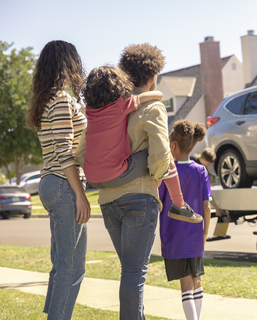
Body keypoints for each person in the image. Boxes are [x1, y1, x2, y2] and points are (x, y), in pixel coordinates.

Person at [75, 43, 170, 320]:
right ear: (153, 77)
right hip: (139, 198)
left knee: (129, 270)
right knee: (133, 272)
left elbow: (80, 152)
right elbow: (162, 156)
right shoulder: (151, 106)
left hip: (108, 201)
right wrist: (154, 176)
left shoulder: (110, 106)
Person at [82, 65, 201, 223]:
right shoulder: (122, 104)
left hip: (93, 178)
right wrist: (157, 178)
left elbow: (80, 152)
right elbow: (157, 95)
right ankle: (179, 204)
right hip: (117, 176)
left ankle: (179, 204)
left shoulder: (89, 112)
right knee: (163, 152)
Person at [26, 40, 90, 320]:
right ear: (68, 64)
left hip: (50, 185)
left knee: (62, 263)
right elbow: (65, 150)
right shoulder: (62, 99)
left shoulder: (46, 100)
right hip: (64, 185)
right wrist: (81, 194)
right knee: (72, 266)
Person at [158, 120, 212, 320]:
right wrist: (205, 233)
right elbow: (206, 206)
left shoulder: (167, 172)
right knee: (196, 280)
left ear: (172, 146)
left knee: (185, 285)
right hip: (196, 235)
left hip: (175, 236)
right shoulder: (201, 171)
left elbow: (160, 202)